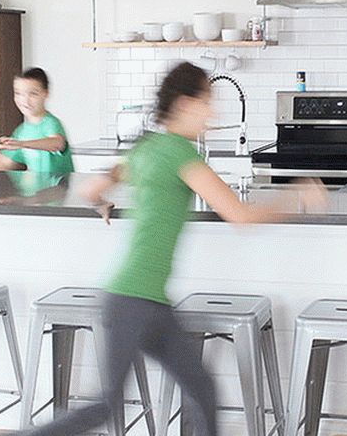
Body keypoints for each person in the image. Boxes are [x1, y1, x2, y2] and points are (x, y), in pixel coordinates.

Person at [18, 61, 327, 436]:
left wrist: (105, 200)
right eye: (207, 103)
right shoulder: (181, 153)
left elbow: (90, 190)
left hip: (145, 302)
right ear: (184, 104)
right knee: (107, 405)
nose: (213, 114)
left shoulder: (148, 147)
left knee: (201, 389)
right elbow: (239, 216)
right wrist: (298, 198)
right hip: (134, 301)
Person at [0, 67, 74, 175]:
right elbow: (2, 163)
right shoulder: (21, 131)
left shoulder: (51, 123)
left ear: (46, 94)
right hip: (36, 191)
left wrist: (22, 144)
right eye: (19, 94)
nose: (25, 101)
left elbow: (57, 143)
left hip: (57, 191)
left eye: (33, 94)